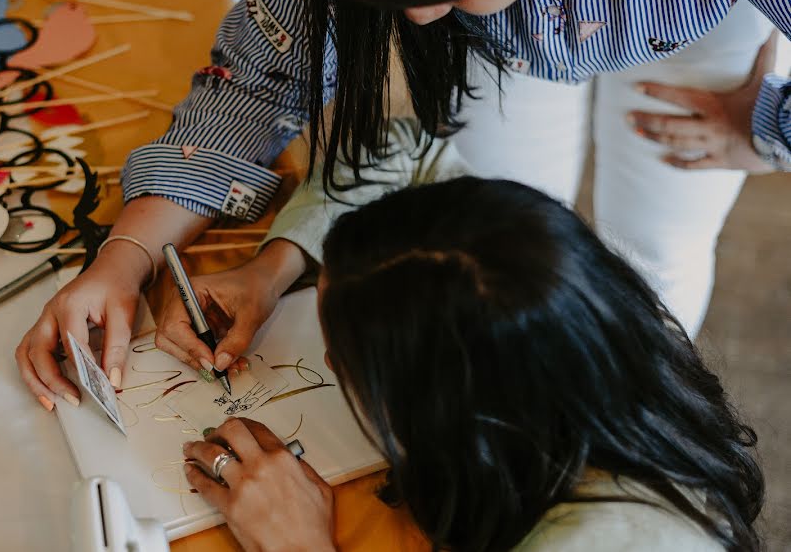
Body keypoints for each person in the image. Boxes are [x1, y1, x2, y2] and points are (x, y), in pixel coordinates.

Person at [15, 0, 791, 408]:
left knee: (656, 248)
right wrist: (124, 260)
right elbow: (257, 79)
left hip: (701, 21)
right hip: (505, 43)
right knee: (494, 241)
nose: (416, 21)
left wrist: (766, 130)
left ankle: (632, 413)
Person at [181, 176, 765, 552]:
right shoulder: (589, 341)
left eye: (348, 357)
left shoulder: (607, 540)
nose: (326, 359)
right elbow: (403, 141)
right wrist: (270, 271)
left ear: (445, 405)